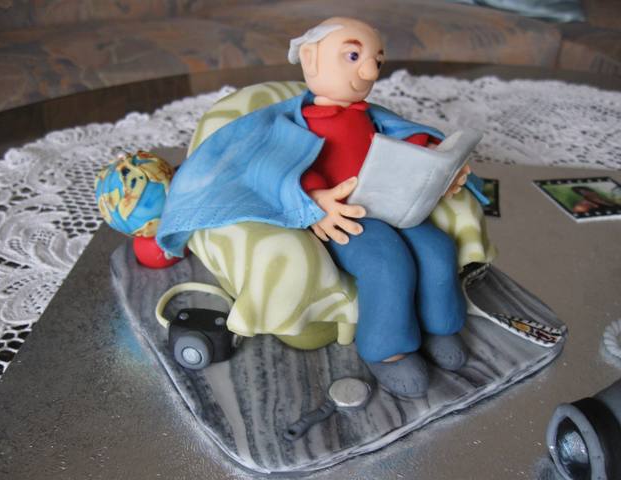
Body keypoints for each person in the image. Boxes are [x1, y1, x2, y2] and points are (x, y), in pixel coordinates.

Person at [157, 17, 476, 398]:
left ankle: (440, 326)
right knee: (386, 263)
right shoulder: (291, 123)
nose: (370, 70)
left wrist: (438, 163)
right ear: (310, 59)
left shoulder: (371, 116)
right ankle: (386, 349)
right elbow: (274, 166)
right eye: (353, 56)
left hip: (390, 203)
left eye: (377, 59)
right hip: (343, 219)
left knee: (437, 248)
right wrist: (316, 201)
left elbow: (405, 138)